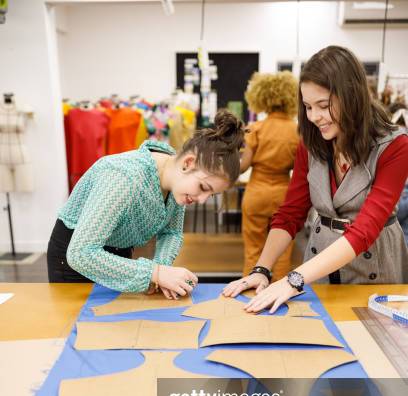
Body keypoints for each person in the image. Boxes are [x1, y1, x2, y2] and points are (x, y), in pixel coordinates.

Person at [224, 46, 408, 313]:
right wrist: (262, 269)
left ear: (352, 95)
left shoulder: (395, 146)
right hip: (318, 266)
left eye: (323, 106)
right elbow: (291, 212)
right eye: (308, 107)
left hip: (375, 268)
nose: (314, 117)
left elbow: (365, 229)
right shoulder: (311, 143)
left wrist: (293, 279)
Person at [48, 109, 245, 299]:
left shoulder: (175, 180)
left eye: (211, 195)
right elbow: (81, 254)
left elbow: (171, 233)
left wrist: (161, 272)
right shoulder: (123, 177)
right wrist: (155, 272)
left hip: (117, 251)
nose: (202, 200)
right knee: (81, 329)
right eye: (203, 187)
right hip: (75, 258)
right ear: (188, 163)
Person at [240, 71, 299, 279]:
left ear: (261, 97)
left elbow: (242, 167)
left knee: (253, 250)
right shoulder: (297, 131)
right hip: (285, 195)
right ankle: (278, 294)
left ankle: (248, 294)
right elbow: (300, 168)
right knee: (283, 251)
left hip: (256, 193)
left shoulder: (256, 129)